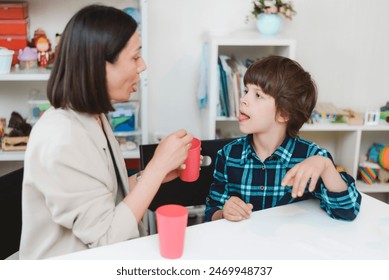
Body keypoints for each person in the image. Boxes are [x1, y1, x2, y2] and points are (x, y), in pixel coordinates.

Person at [19, 5, 193, 259]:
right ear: (99, 66)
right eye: (135, 57)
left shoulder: (95, 116)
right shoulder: (61, 139)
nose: (143, 66)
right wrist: (156, 168)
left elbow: (106, 195)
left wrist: (155, 172)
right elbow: (105, 238)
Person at [205, 55, 362, 222]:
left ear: (283, 113)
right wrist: (224, 212)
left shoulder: (313, 159)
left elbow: (348, 210)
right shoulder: (228, 155)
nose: (243, 100)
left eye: (258, 95)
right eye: (246, 91)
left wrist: (326, 166)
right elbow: (211, 212)